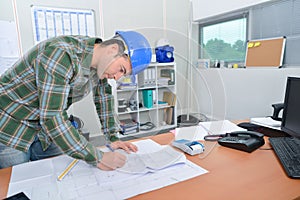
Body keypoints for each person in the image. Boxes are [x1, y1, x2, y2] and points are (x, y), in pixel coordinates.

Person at [0, 30, 152, 170]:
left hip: (42, 129)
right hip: (11, 125)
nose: (117, 77)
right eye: (121, 69)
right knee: (17, 185)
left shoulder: (99, 64)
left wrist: (112, 138)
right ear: (113, 49)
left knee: (58, 175)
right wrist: (98, 158)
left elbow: (104, 98)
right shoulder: (60, 54)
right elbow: (53, 117)